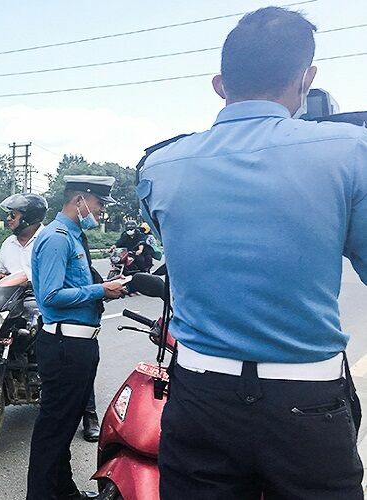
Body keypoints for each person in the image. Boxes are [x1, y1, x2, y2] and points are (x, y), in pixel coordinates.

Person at [138, 7, 365, 499]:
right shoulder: (351, 151)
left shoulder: (159, 165)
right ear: (306, 79)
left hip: (199, 396)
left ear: (220, 85)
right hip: (306, 400)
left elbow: (171, 248)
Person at [27, 175, 127, 500]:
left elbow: (73, 288)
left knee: (65, 426)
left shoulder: (72, 236)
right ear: (79, 199)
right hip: (65, 345)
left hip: (78, 344)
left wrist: (105, 289)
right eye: (98, 204)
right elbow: (51, 295)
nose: (101, 211)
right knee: (53, 428)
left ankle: (63, 491)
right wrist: (100, 290)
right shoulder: (57, 238)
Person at [0, 192, 47, 282]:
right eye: (8, 214)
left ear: (29, 217)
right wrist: (1, 276)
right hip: (12, 291)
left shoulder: (48, 241)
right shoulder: (8, 243)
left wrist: (26, 283)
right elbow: (1, 270)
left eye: (13, 215)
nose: (8, 218)